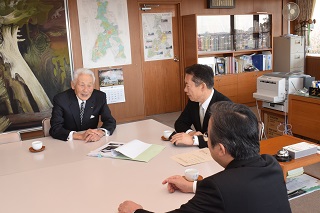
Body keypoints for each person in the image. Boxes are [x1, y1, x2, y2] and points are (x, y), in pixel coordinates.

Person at [118, 101, 292, 213]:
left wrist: (136, 211)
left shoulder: (218, 187)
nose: (206, 140)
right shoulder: (271, 164)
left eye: (208, 137)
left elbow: (225, 190)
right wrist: (193, 185)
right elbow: (238, 189)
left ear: (221, 149)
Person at [170, 64, 231, 148]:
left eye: (188, 86)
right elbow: (180, 123)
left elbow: (222, 139)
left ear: (202, 86)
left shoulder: (225, 106)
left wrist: (194, 140)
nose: (185, 90)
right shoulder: (194, 100)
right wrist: (191, 133)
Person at [49, 68, 116, 142]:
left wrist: (100, 132)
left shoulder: (100, 97)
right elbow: (55, 128)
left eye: (89, 85)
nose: (86, 90)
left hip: (91, 142)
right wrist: (80, 136)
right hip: (68, 143)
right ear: (73, 85)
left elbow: (110, 121)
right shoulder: (61, 99)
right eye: (82, 85)